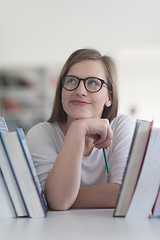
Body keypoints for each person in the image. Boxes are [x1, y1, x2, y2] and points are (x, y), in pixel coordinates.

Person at [26, 48, 135, 211]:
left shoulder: (121, 127)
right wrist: (78, 128)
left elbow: (124, 193)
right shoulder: (41, 134)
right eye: (71, 81)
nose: (80, 91)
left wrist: (58, 197)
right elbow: (59, 202)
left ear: (109, 97)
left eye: (93, 83)